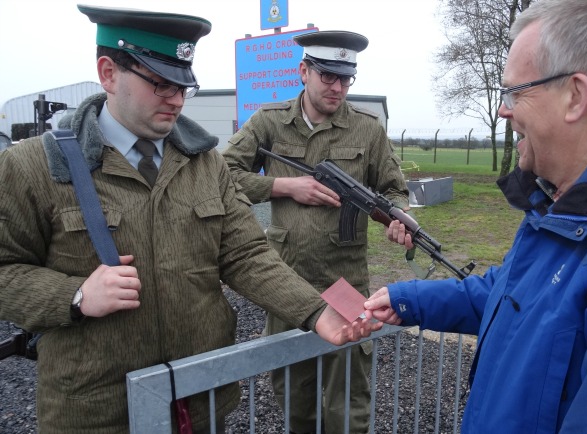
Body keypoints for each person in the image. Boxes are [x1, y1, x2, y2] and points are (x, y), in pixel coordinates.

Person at [0, 5, 382, 434]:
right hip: (99, 411)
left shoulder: (204, 164)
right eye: (161, 83)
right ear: (108, 73)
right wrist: (74, 295)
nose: (177, 100)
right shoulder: (33, 167)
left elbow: (247, 255)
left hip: (200, 401)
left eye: (184, 85)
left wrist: (317, 313)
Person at [366, 0, 587, 433]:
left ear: (575, 96)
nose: (504, 110)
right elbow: (517, 298)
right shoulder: (565, 199)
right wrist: (411, 298)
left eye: (515, 92)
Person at [223, 30, 409, 434]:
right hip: (286, 280)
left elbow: (395, 190)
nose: (338, 88)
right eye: (328, 76)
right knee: (293, 391)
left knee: (349, 398)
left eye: (346, 79)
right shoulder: (269, 123)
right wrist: (285, 185)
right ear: (303, 71)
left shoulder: (367, 130)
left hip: (345, 281)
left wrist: (398, 219)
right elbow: (224, 174)